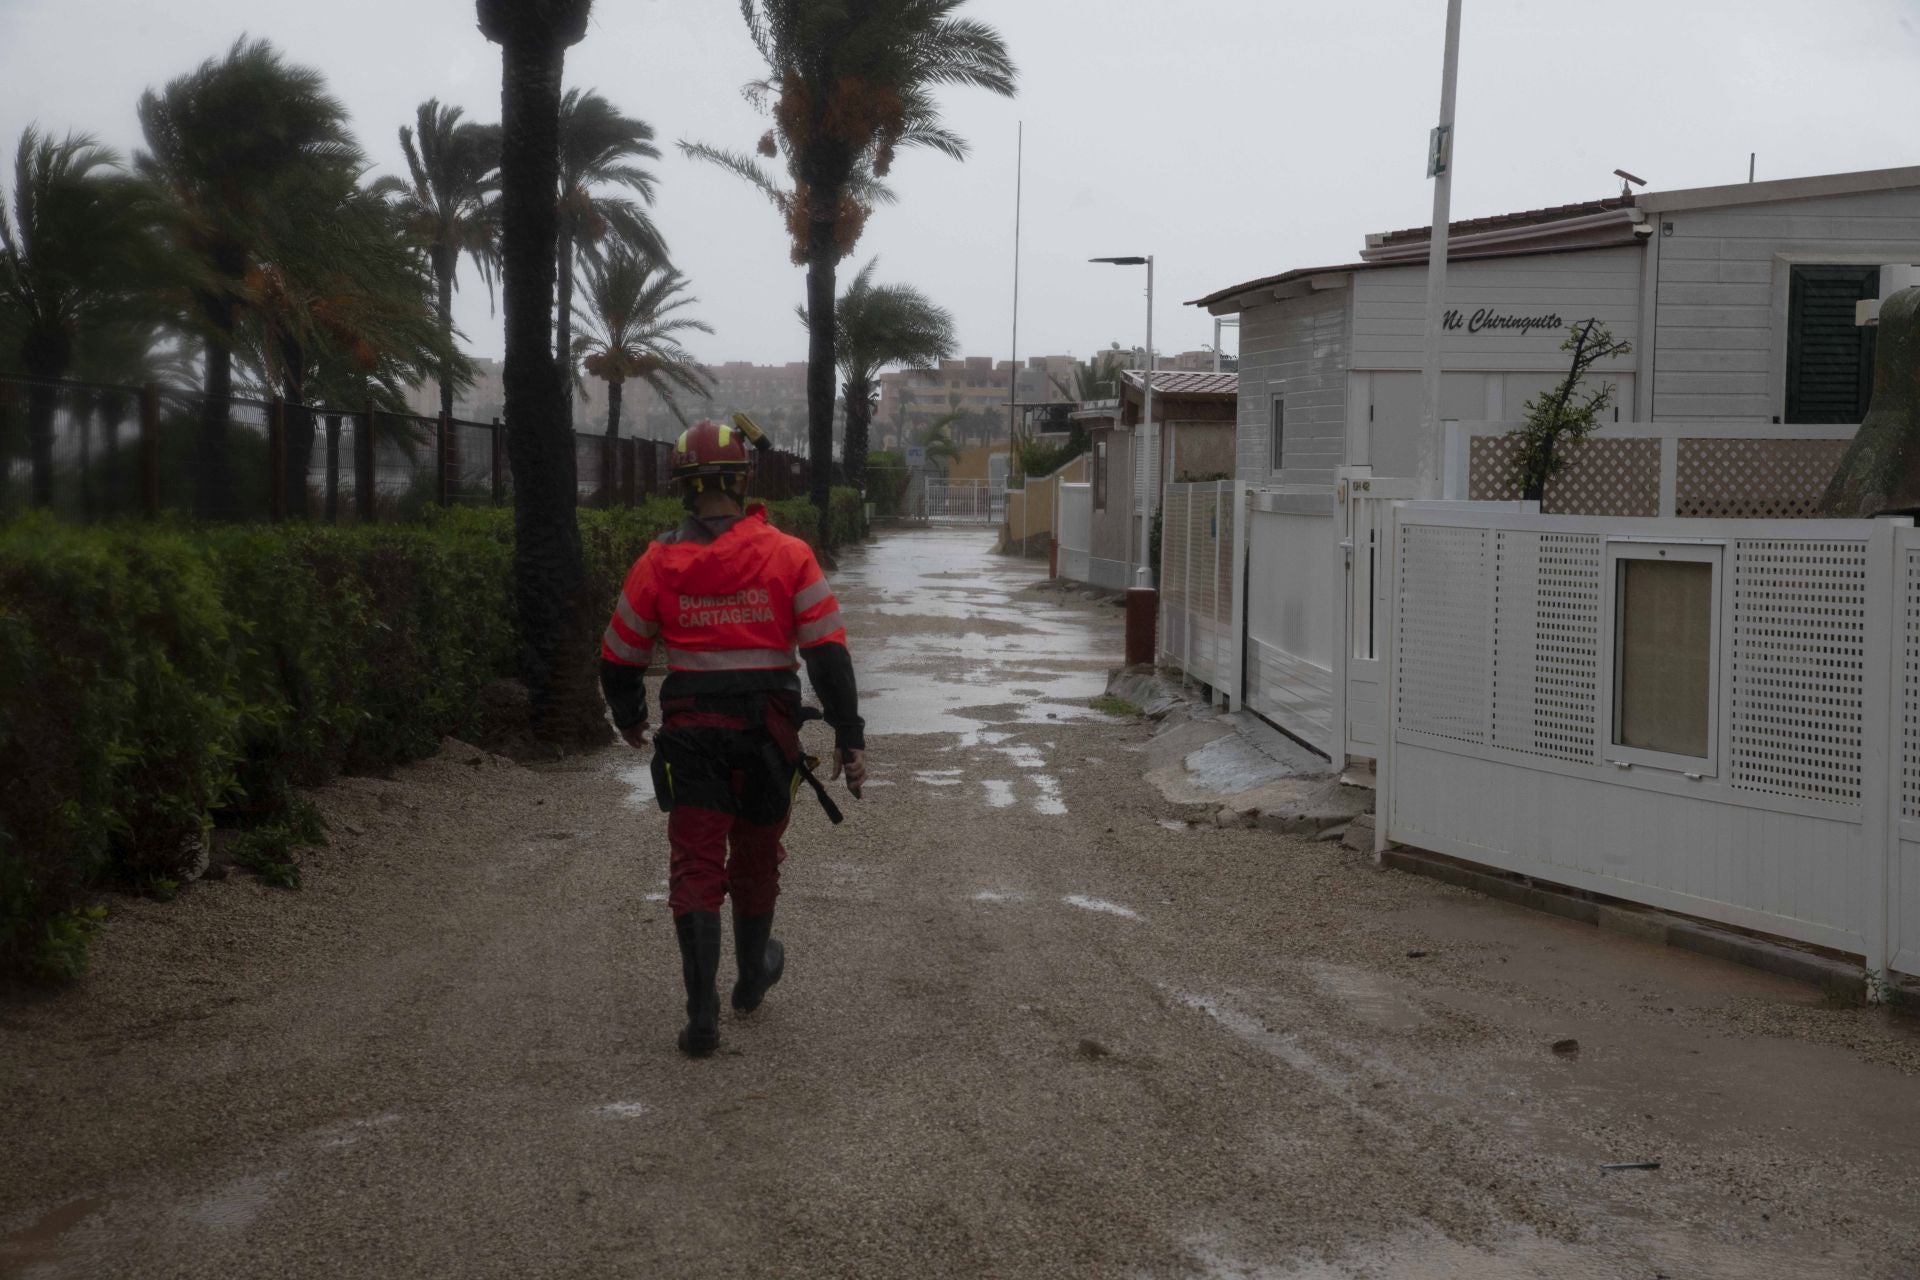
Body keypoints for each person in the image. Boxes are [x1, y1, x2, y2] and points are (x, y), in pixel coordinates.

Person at [598, 420, 866, 1057]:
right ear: (743, 479)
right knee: (755, 858)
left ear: (681, 489)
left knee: (695, 863)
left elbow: (618, 656)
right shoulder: (787, 553)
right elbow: (827, 656)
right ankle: (750, 978)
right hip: (769, 739)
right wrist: (850, 735)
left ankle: (701, 1014)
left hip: (692, 741)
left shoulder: (658, 561)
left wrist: (630, 715)